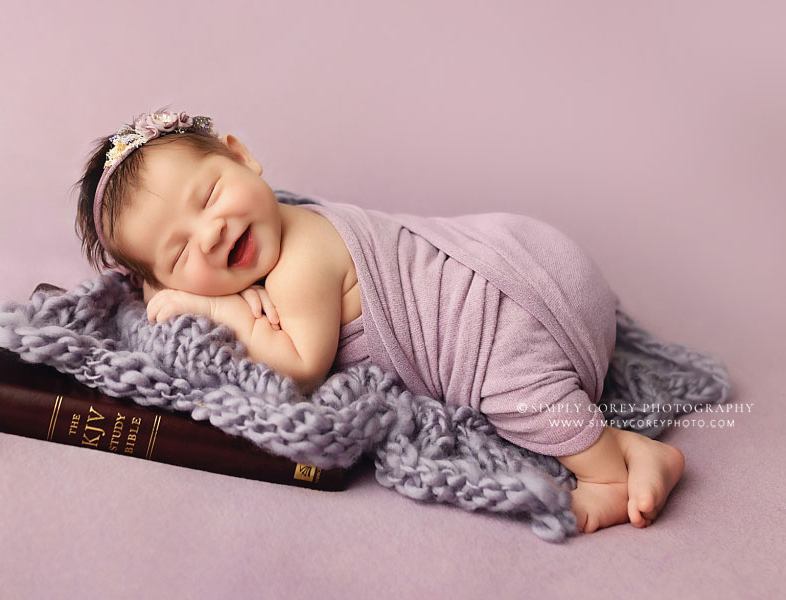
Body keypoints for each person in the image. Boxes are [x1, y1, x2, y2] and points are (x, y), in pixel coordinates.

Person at [75, 109, 685, 534]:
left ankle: (605, 476)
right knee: (535, 392)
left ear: (242, 156)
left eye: (208, 197)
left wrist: (214, 305)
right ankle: (634, 448)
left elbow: (300, 366)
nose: (211, 235)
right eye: (179, 256)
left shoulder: (299, 261)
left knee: (517, 391)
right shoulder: (289, 219)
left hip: (513, 308)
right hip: (539, 256)